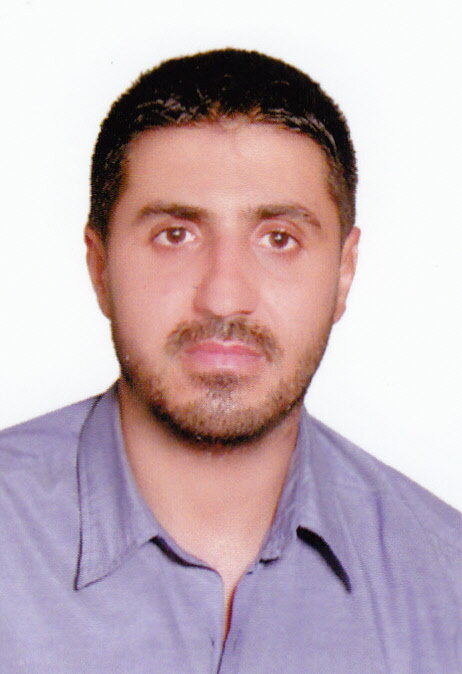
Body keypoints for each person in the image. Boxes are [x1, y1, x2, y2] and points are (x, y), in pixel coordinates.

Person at [1, 48, 460, 673]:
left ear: (344, 272)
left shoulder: (447, 585)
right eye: (175, 235)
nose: (223, 296)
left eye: (279, 239)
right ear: (100, 265)